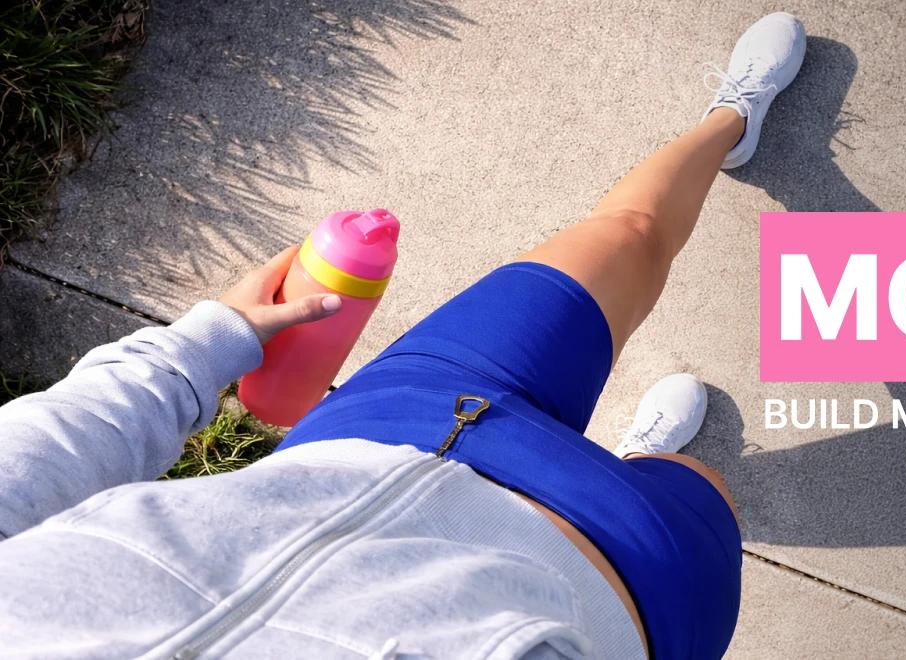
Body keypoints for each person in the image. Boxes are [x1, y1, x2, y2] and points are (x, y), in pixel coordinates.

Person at [0, 13, 806, 659]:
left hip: (392, 436)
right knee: (699, 484)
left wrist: (201, 346)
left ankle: (730, 121)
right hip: (621, 579)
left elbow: (22, 471)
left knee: (626, 237)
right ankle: (635, 462)